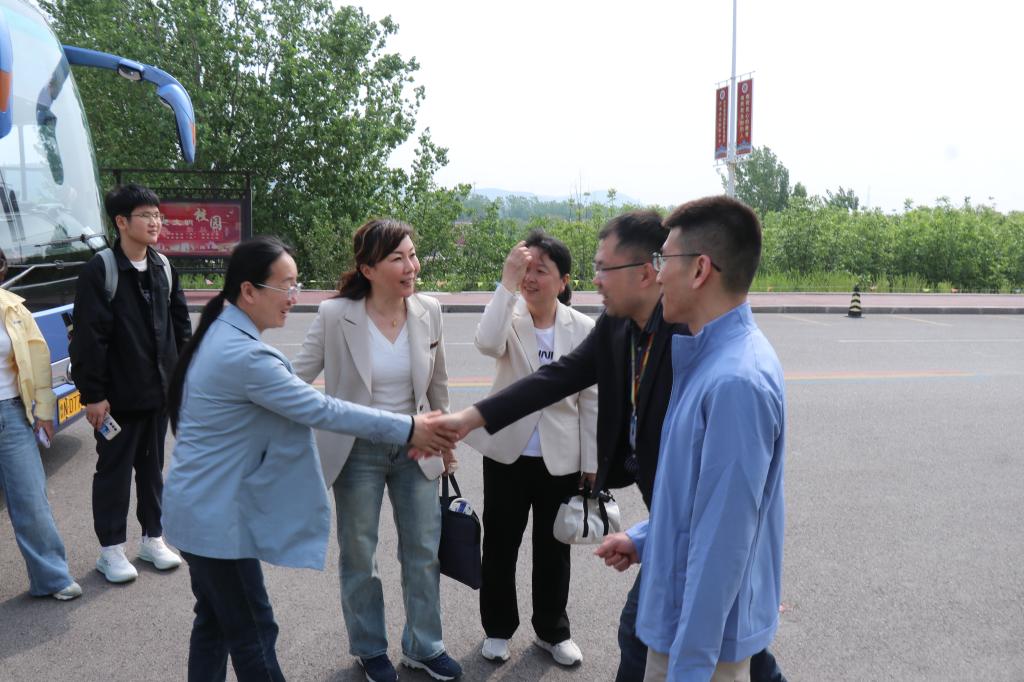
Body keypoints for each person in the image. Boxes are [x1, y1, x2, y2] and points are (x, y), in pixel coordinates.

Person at [435, 211, 787, 682]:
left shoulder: (719, 365)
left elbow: (721, 534)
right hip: (676, 529)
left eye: (605, 267)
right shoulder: (625, 326)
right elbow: (558, 378)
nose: (595, 280)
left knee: (687, 642)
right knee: (717, 648)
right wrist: (467, 420)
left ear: (694, 269)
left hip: (699, 556)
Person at [161, 236, 458, 681]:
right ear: (249, 291)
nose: (294, 297)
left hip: (201, 513)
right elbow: (322, 409)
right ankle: (370, 648)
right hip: (217, 522)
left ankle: (424, 645)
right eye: (286, 286)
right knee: (255, 631)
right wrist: (410, 427)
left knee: (215, 625)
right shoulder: (247, 356)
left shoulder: (222, 333)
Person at [596, 196, 786, 682]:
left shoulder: (736, 381)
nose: (658, 276)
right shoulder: (706, 358)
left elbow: (722, 548)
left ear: (700, 269)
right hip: (675, 620)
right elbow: (696, 500)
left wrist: (690, 670)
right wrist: (644, 537)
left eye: (665, 260)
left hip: (696, 640)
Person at [293, 219, 462, 682]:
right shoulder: (335, 315)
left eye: (412, 255)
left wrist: (448, 444)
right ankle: (370, 649)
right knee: (359, 553)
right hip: (356, 450)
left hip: (417, 445)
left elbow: (439, 383)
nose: (412, 266)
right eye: (398, 258)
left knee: (423, 550)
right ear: (368, 269)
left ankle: (424, 645)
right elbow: (295, 378)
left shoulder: (429, 310)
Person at [464, 232, 597, 666]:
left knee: (554, 548)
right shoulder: (510, 315)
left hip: (561, 458)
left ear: (564, 281)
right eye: (526, 269)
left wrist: (592, 461)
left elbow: (592, 399)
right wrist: (506, 282)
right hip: (508, 453)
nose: (531, 278)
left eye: (541, 270)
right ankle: (498, 628)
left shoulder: (583, 328)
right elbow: (486, 343)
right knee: (500, 545)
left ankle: (552, 631)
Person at [69, 183, 192, 583]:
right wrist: (93, 395)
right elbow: (89, 338)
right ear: (121, 222)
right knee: (114, 473)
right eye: (146, 215)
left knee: (153, 470)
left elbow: (181, 328)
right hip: (116, 399)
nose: (155, 222)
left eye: (157, 215)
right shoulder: (101, 270)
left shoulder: (163, 267)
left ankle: (153, 538)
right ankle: (111, 550)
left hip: (158, 394)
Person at [0, 247, 81, 601]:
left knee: (31, 498)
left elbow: (38, 360)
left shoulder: (14, 309)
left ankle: (51, 578)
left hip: (10, 413)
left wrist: (45, 412)